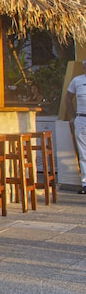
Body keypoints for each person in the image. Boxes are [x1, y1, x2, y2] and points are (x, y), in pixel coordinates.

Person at [66, 58, 86, 193]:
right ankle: (85, 183)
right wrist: (72, 116)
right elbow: (68, 98)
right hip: (82, 118)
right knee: (83, 153)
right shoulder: (77, 80)